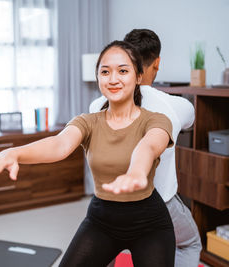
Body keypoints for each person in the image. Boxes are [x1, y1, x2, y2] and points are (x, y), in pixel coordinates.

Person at [0, 40, 176, 267]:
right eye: (105, 71)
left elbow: (148, 146)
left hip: (149, 222)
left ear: (138, 76)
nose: (113, 79)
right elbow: (59, 145)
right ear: (98, 78)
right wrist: (15, 153)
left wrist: (137, 171)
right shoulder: (87, 122)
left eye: (123, 71)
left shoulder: (156, 120)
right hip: (102, 220)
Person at [89, 29, 202, 267]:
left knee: (103, 244)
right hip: (159, 203)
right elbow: (188, 125)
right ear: (156, 63)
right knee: (189, 242)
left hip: (110, 200)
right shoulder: (177, 106)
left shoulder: (96, 105)